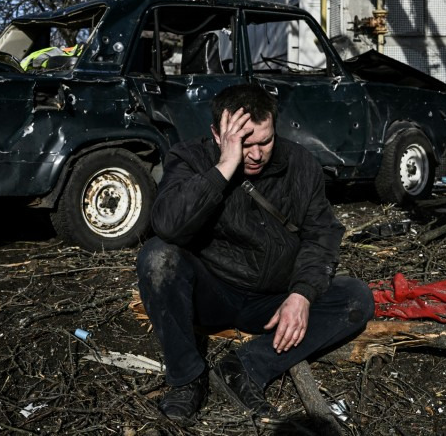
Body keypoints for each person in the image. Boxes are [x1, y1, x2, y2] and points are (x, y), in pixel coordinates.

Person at [136, 84, 374, 423]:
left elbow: (322, 234)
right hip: (212, 295)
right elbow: (169, 226)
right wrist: (225, 166)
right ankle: (187, 380)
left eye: (265, 141)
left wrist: (302, 294)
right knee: (158, 257)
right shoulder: (189, 158)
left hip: (272, 300)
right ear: (217, 135)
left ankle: (244, 367)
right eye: (244, 143)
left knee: (356, 298)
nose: (257, 153)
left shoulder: (299, 163)